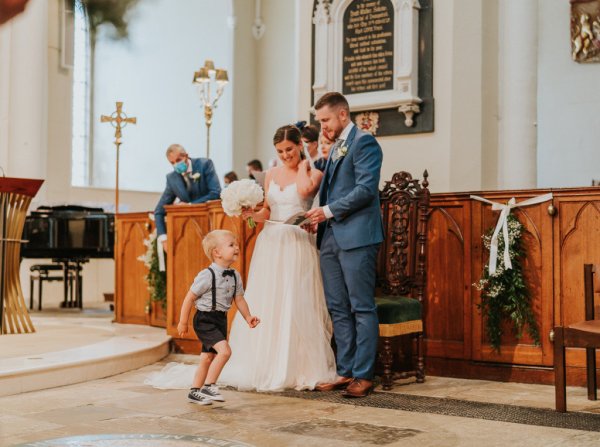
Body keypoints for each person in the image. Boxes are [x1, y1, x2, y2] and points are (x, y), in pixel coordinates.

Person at [218, 124, 337, 391]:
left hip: (297, 241)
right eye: (280, 151)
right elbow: (268, 211)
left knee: (296, 301)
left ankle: (304, 368)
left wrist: (304, 164)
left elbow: (306, 194)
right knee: (269, 300)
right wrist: (251, 213)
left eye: (290, 150)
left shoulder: (313, 172)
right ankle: (264, 363)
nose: (285, 155)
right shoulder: (270, 174)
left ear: (300, 146)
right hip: (271, 242)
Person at [306, 92, 384, 398]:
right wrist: (318, 216)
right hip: (331, 238)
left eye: (325, 119)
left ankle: (363, 375)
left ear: (342, 114)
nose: (322, 126)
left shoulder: (365, 142)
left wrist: (327, 211)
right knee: (337, 307)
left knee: (361, 307)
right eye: (320, 121)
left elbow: (366, 189)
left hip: (357, 238)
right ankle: (345, 370)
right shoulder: (337, 146)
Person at [175, 230, 260, 405]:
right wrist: (183, 321)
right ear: (217, 252)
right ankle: (209, 385)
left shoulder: (235, 275)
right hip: (204, 319)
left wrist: (248, 316)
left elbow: (239, 299)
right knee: (225, 351)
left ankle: (194, 391)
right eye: (231, 245)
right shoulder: (207, 275)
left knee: (207, 358)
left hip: (220, 319)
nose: (236, 247)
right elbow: (189, 297)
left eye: (236, 244)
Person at [154, 144, 221, 252]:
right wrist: (163, 239)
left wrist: (189, 205)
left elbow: (215, 193)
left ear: (186, 156)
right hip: (186, 230)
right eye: (172, 163)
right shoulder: (172, 178)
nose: (176, 164)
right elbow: (159, 211)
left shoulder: (204, 164)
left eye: (178, 160)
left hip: (209, 224)